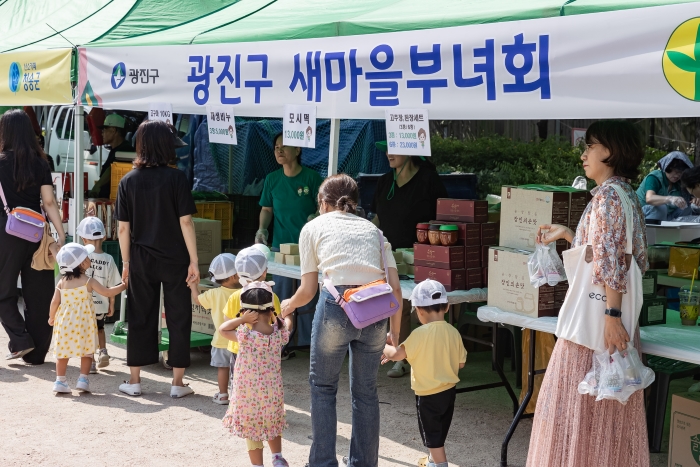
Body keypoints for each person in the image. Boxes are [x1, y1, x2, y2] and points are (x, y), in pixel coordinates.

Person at [529, 120, 650, 466]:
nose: (584, 154)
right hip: (610, 321)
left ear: (609, 152)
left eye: (590, 146)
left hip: (596, 328)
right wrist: (569, 233)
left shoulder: (609, 198)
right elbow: (611, 253)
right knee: (608, 422)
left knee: (579, 416)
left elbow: (613, 260)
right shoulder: (625, 194)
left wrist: (611, 317)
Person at [280, 174, 403, 466]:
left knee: (323, 388)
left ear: (323, 203)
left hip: (336, 306)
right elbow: (396, 289)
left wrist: (288, 305)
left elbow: (308, 291)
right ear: (354, 204)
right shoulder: (375, 232)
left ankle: (323, 462)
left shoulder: (312, 227)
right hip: (374, 309)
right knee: (366, 392)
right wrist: (394, 334)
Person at [116, 120, 200, 398]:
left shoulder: (128, 180)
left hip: (140, 258)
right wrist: (194, 261)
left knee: (140, 315)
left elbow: (123, 229)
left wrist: (126, 263)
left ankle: (135, 380)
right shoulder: (176, 179)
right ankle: (177, 384)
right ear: (166, 147)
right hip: (175, 257)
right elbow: (186, 222)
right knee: (178, 316)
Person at [371, 141, 447, 378]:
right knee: (394, 303)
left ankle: (426, 356)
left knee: (421, 305)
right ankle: (398, 355)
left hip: (422, 256)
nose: (388, 153)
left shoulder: (429, 180)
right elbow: (377, 218)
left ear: (411, 149)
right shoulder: (385, 181)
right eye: (387, 148)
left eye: (394, 147)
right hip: (389, 252)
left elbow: (442, 220)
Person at [0, 109, 65, 364]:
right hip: (36, 234)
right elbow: (49, 202)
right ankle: (37, 353)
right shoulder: (40, 163)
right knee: (39, 294)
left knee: (3, 291)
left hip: (5, 234)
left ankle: (21, 339)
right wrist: (61, 235)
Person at [382, 280, 467, 467]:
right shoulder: (454, 332)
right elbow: (461, 363)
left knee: (431, 434)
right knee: (440, 430)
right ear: (446, 307)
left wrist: (383, 346)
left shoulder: (419, 334)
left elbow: (397, 355)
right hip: (449, 392)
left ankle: (440, 464)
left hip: (428, 395)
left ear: (419, 310)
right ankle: (432, 460)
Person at [255, 132, 323, 349]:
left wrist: (316, 215)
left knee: (308, 292)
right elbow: (266, 209)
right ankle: (281, 341)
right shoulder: (272, 179)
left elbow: (323, 207)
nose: (279, 151)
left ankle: (307, 341)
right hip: (280, 246)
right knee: (281, 293)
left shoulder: (312, 178)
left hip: (310, 248)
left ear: (298, 150)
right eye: (276, 147)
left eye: (284, 146)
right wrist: (262, 229)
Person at [220, 282, 293, 467]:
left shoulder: (245, 335)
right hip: (272, 393)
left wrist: (241, 320)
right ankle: (277, 457)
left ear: (245, 311)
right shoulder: (279, 334)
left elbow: (223, 329)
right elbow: (288, 326)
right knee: (272, 423)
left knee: (252, 429)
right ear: (271, 311)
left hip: (248, 394)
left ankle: (258, 465)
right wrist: (287, 313)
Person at [49, 243, 126, 394]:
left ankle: (60, 380)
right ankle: (83, 380)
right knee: (87, 351)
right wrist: (124, 285)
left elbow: (54, 302)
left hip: (65, 323)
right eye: (87, 256)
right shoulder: (88, 281)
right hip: (84, 323)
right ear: (82, 263)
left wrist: (52, 317)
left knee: (62, 352)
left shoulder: (62, 282)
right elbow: (107, 292)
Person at [190, 253, 240, 405]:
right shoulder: (244, 292)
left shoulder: (213, 293)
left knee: (223, 369)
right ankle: (239, 395)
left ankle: (223, 394)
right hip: (238, 340)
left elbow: (198, 300)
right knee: (239, 370)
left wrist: (193, 286)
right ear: (233, 277)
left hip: (220, 339)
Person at [77, 216, 121, 374]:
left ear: (83, 239)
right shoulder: (109, 259)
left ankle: (92, 362)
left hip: (84, 303)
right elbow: (112, 285)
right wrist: (111, 303)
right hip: (101, 303)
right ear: (104, 236)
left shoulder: (81, 257)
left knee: (87, 332)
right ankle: (103, 351)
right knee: (100, 328)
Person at [636, 150, 694, 221]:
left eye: (681, 173)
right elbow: (649, 198)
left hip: (665, 216)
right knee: (661, 207)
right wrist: (670, 199)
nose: (677, 175)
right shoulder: (655, 177)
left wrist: (696, 199)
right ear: (668, 167)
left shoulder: (679, 183)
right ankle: (652, 231)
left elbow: (690, 198)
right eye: (676, 172)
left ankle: (673, 230)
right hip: (643, 214)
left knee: (686, 208)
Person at [88, 113, 134, 199]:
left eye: (104, 130)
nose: (102, 133)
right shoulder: (114, 149)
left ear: (113, 130)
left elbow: (112, 169)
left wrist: (98, 185)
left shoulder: (125, 150)